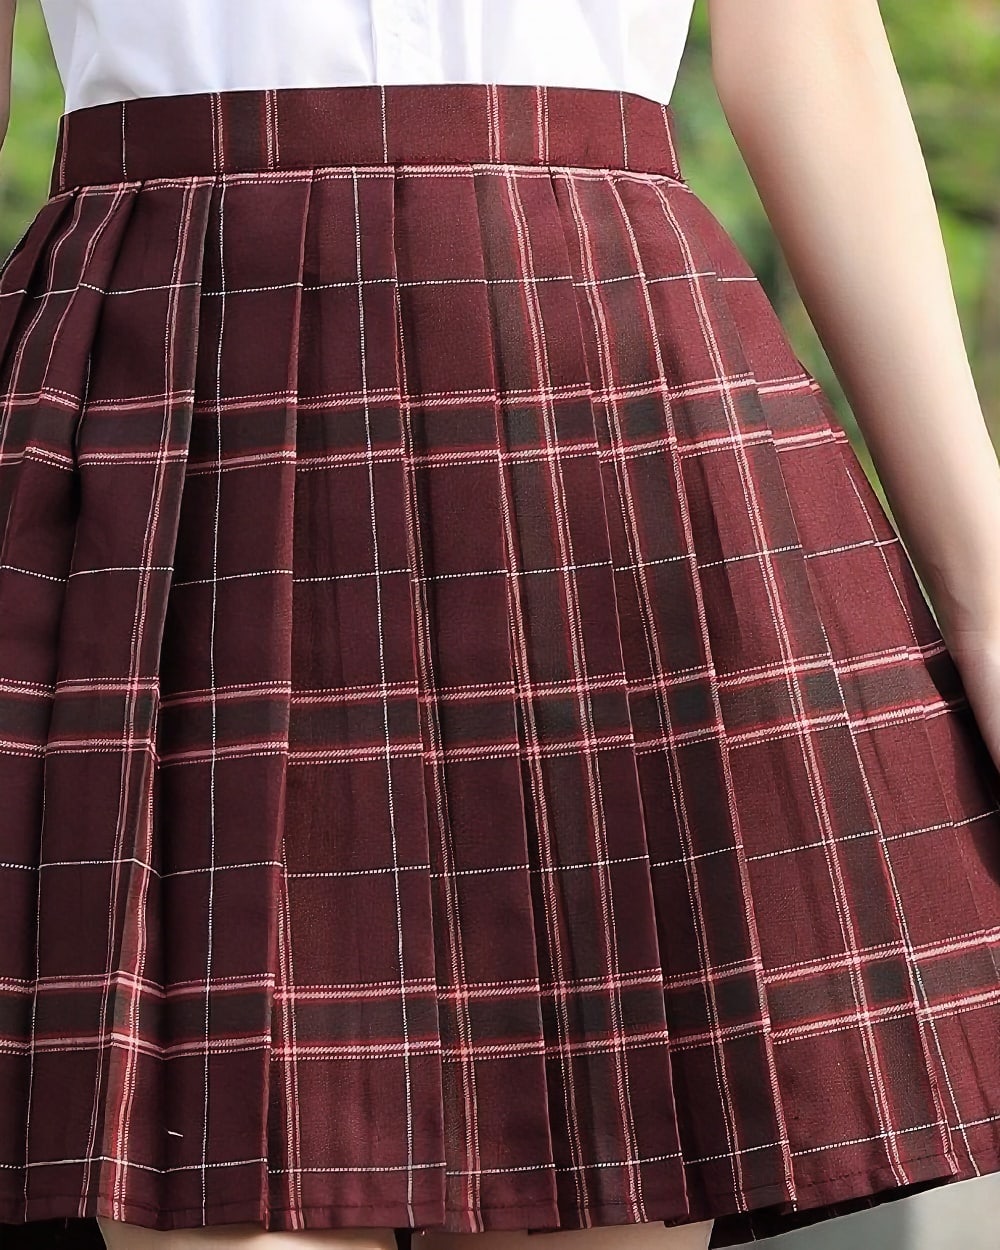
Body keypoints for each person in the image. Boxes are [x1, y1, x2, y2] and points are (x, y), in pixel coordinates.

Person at [0, 1, 998, 1248]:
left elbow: (814, 51)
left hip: (590, 382)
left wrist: (987, 604)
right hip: (177, 391)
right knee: (210, 1190)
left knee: (611, 1177)